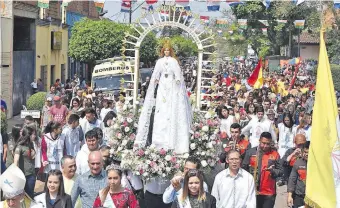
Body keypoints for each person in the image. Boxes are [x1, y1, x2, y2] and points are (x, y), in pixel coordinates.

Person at [135, 39, 192, 155]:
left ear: (170, 51)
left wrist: (176, 81)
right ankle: (158, 142)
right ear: (162, 51)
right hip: (162, 86)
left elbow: (177, 74)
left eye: (168, 50)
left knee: (171, 111)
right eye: (164, 50)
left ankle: (172, 142)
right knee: (161, 111)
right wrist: (155, 80)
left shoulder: (174, 61)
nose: (166, 52)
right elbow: (156, 73)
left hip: (171, 86)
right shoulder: (159, 62)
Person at [242, 132, 283, 208]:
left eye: (268, 144)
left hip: (269, 192)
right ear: (259, 140)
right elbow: (244, 169)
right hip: (252, 191)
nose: (265, 146)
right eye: (263, 143)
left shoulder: (275, 154)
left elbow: (281, 171)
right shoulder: (250, 152)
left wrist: (273, 171)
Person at [13, 126, 37, 199]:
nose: (35, 136)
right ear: (28, 135)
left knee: (30, 196)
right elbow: (16, 161)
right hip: (22, 176)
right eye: (33, 134)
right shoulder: (19, 146)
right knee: (21, 197)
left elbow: (33, 158)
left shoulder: (31, 145)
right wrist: (16, 176)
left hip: (31, 175)